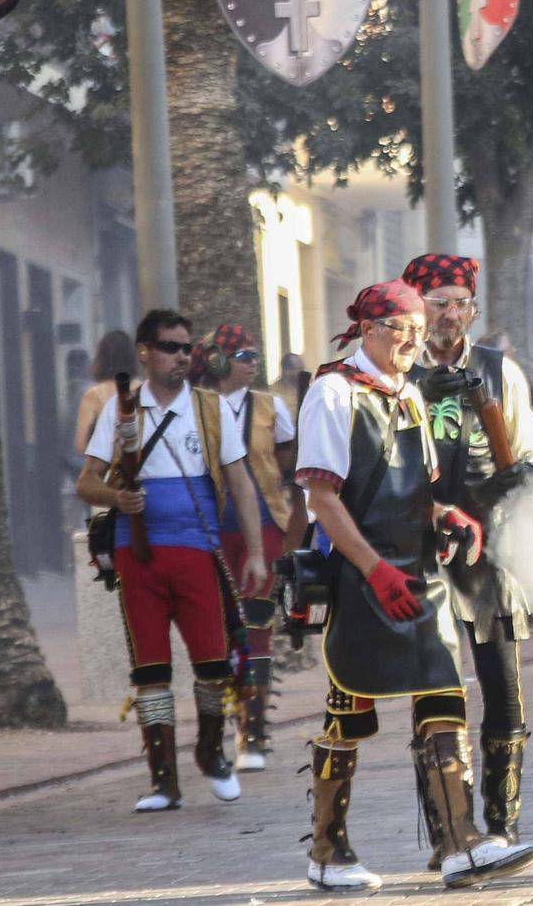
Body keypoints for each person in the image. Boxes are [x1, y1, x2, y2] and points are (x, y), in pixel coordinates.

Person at [293, 281, 533, 891]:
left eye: (416, 329)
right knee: (348, 716)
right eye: (399, 328)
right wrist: (374, 569)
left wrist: (448, 517)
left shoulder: (410, 394)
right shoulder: (332, 393)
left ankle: (460, 845)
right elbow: (323, 499)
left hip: (422, 576)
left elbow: (422, 492)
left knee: (444, 705)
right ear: (368, 329)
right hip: (361, 578)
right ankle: (328, 850)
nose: (412, 340)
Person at [76, 310, 269, 813]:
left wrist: (255, 553)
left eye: (187, 348)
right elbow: (87, 481)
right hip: (136, 554)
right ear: (144, 352)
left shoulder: (209, 409)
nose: (183, 355)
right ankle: (164, 780)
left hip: (197, 552)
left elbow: (242, 485)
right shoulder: (121, 411)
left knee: (211, 663)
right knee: (150, 670)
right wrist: (117, 501)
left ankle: (211, 752)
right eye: (170, 346)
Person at [402, 253, 533, 864]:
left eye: (459, 303)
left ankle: (502, 826)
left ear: (474, 309)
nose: (449, 314)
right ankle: (449, 832)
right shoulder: (399, 374)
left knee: (504, 690)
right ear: (416, 309)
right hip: (421, 550)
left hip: (490, 547)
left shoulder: (499, 371)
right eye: (437, 302)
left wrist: (523, 481)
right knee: (434, 694)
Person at [205, 323, 303, 772]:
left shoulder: (270, 407)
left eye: (255, 355)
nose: (253, 364)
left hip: (263, 523)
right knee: (224, 628)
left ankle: (254, 731)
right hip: (211, 527)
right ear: (221, 361)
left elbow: (287, 463)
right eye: (243, 356)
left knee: (258, 620)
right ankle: (230, 718)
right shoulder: (197, 408)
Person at [74, 329, 137, 456]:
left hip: (108, 470)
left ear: (101, 359)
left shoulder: (93, 395)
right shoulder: (143, 390)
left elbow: (81, 444)